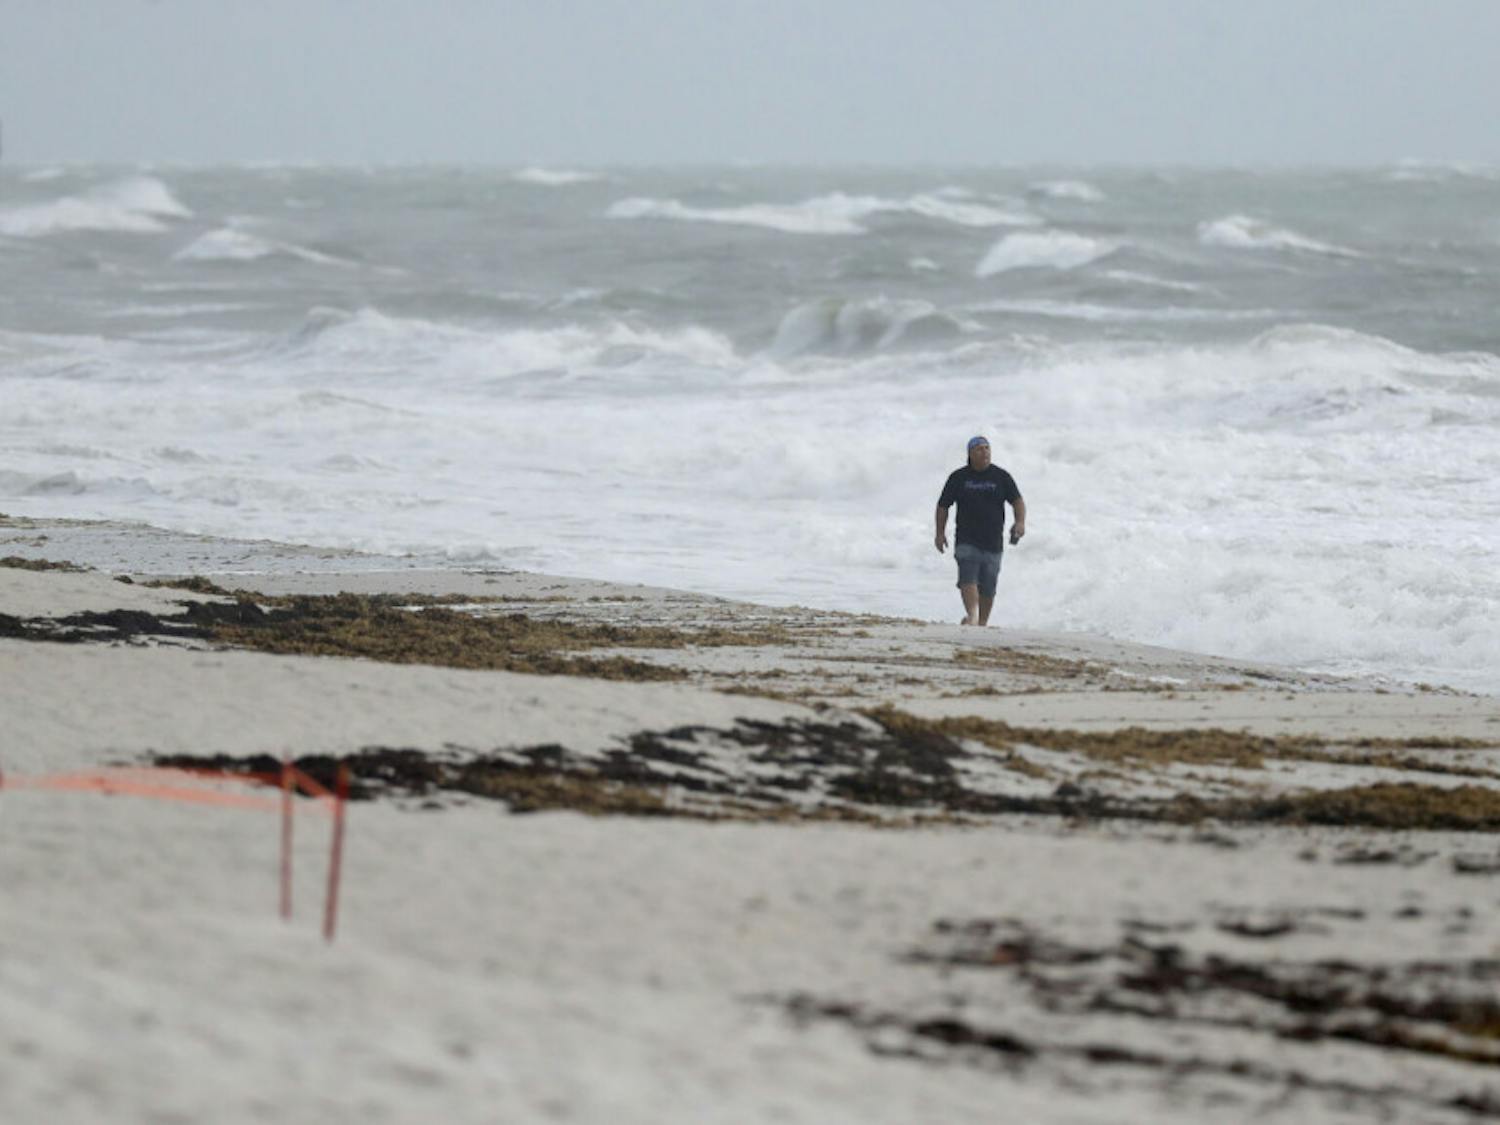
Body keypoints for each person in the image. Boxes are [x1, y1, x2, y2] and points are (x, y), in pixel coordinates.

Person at [934, 436, 1026, 626]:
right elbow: (943, 506)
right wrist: (940, 533)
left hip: (993, 542)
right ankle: (973, 616)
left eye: (987, 448)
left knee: (988, 587)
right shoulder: (958, 477)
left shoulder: (1001, 476)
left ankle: (980, 623)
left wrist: (1020, 522)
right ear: (970, 454)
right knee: (968, 577)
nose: (984, 452)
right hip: (966, 539)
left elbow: (1017, 501)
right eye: (979, 449)